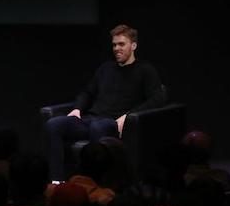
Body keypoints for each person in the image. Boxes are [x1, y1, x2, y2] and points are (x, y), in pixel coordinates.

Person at [45, 24, 166, 180]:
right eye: (114, 45)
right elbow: (88, 92)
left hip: (114, 123)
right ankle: (56, 181)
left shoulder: (145, 69)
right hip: (91, 119)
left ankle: (95, 183)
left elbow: (158, 98)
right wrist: (77, 109)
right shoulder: (106, 68)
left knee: (98, 126)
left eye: (121, 44)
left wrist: (129, 115)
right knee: (53, 124)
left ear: (133, 45)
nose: (117, 48)